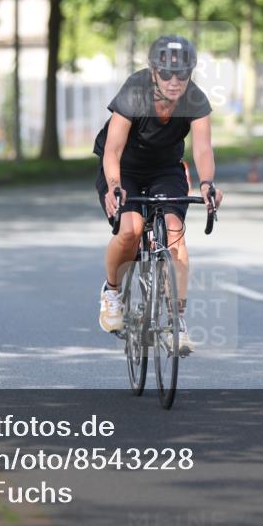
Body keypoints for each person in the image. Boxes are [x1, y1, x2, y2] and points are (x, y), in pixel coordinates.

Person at [93, 35, 224, 355]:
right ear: (153, 72)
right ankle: (111, 292)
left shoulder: (195, 99)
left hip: (165, 169)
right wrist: (113, 185)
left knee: (175, 236)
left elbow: (203, 148)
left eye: (182, 74)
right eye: (166, 73)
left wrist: (207, 184)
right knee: (132, 229)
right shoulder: (134, 91)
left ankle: (176, 320)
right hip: (124, 169)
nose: (174, 81)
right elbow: (113, 148)